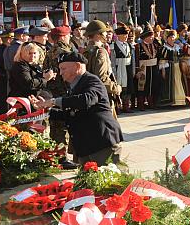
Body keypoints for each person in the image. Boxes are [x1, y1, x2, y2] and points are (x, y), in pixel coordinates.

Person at [33, 52, 123, 165]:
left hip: (101, 143)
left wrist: (53, 102)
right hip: (85, 145)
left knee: (111, 180)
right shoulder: (74, 85)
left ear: (77, 66)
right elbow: (70, 113)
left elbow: (87, 100)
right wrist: (45, 111)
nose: (60, 73)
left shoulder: (92, 81)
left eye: (63, 68)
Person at [43, 26, 76, 168]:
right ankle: (64, 157)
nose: (69, 38)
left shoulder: (49, 51)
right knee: (64, 126)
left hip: (53, 93)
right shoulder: (65, 52)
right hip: (65, 92)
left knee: (56, 125)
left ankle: (57, 155)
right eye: (68, 35)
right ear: (63, 37)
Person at [84, 19, 121, 112]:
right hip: (102, 96)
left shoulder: (86, 51)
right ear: (97, 35)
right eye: (104, 32)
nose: (106, 34)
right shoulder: (100, 52)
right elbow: (101, 78)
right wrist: (116, 88)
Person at [157, 29, 187, 107]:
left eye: (173, 37)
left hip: (177, 67)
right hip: (169, 68)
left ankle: (180, 100)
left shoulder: (177, 47)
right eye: (170, 37)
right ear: (166, 38)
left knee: (179, 82)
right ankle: (171, 101)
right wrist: (163, 70)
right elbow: (162, 60)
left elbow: (181, 56)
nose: (172, 39)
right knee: (171, 84)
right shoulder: (164, 48)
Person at [134, 27, 160, 110]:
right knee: (142, 86)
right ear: (145, 37)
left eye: (152, 36)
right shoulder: (138, 46)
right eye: (150, 36)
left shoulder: (155, 45)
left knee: (153, 85)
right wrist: (137, 70)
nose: (152, 38)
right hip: (143, 68)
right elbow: (136, 59)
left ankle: (151, 102)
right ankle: (141, 104)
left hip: (154, 67)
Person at [111, 26, 134, 112]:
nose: (126, 36)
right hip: (118, 68)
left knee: (128, 87)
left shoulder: (129, 45)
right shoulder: (113, 46)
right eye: (124, 34)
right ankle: (118, 107)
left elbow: (132, 59)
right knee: (118, 87)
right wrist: (113, 72)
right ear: (119, 35)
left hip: (127, 68)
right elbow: (112, 60)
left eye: (127, 34)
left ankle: (126, 106)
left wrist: (133, 71)